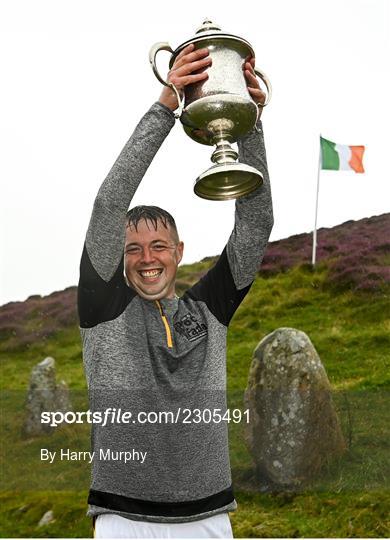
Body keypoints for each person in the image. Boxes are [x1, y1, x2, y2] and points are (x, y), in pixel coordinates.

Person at [77, 43, 273, 539]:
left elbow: (256, 223)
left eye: (158, 246)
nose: (147, 259)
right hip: (123, 520)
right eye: (134, 249)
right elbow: (109, 202)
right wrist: (167, 103)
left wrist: (249, 123)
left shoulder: (210, 310)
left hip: (209, 519)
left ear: (178, 251)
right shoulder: (103, 308)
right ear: (119, 258)